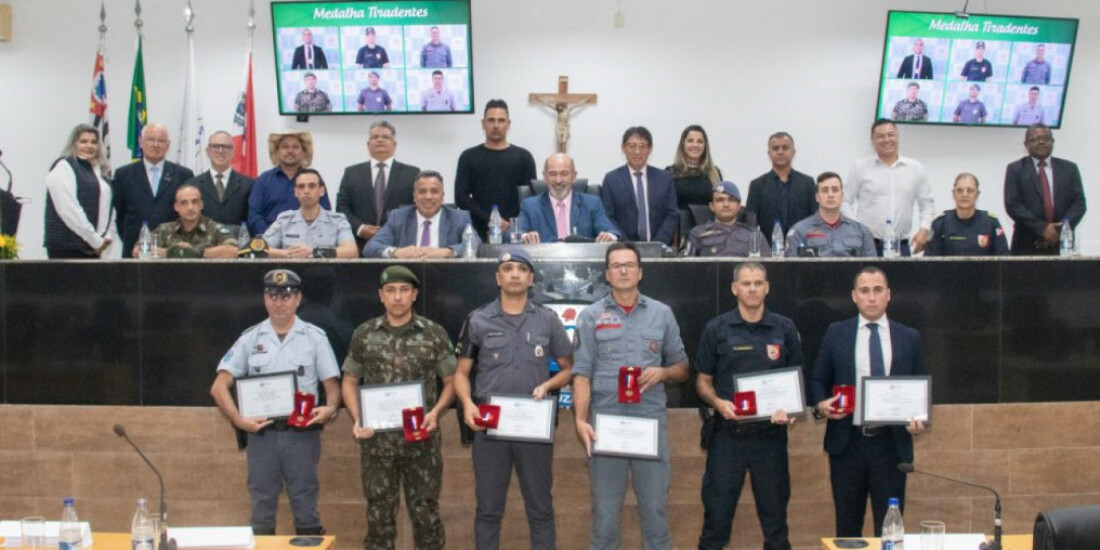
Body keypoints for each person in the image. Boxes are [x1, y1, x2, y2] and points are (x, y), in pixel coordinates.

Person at [453, 249, 574, 550]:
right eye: (508, 268)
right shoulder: (478, 319)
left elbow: (570, 369)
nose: (515, 274)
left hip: (533, 427)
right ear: (498, 277)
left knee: (541, 509)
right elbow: (460, 374)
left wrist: (548, 385)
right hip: (490, 429)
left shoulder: (547, 320)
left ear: (531, 278)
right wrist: (468, 404)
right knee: (489, 510)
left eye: (521, 269)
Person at [573, 242, 689, 550]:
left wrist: (663, 373)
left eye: (629, 265)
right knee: (606, 515)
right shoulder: (590, 316)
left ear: (640, 272)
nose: (623, 270)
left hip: (647, 425)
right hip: (605, 426)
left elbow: (682, 368)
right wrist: (580, 421)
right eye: (616, 266)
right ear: (607, 275)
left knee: (655, 511)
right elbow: (581, 374)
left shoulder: (662, 314)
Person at [209, 268, 341, 536]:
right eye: (273, 296)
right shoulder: (251, 338)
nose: (279, 302)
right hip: (262, 436)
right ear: (265, 299)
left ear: (298, 299)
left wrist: (330, 408)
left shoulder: (315, 338)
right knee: (262, 509)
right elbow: (219, 386)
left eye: (287, 296)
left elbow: (332, 388)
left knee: (306, 507)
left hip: (301, 437)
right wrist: (237, 420)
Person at [340, 265, 455, 550]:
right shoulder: (364, 334)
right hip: (378, 445)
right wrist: (357, 418)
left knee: (426, 516)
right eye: (391, 291)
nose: (398, 297)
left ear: (414, 295)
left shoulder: (433, 334)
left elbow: (452, 382)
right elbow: (349, 380)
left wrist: (436, 413)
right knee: (379, 518)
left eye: (404, 290)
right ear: (381, 296)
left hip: (422, 445)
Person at [810, 266, 927, 538]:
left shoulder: (909, 337)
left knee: (889, 528)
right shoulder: (836, 333)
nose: (871, 297)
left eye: (877, 290)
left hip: (891, 445)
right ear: (854, 296)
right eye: (865, 291)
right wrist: (820, 406)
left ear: (889, 295)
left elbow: (920, 386)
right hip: (848, 444)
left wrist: (919, 420)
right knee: (847, 528)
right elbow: (817, 381)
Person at [695, 261, 801, 550]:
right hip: (727, 437)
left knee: (776, 526)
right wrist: (718, 402)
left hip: (771, 439)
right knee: (715, 523)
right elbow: (702, 382)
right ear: (734, 288)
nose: (752, 289)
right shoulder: (716, 328)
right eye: (746, 283)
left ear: (767, 288)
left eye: (758, 283)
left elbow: (795, 385)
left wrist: (789, 412)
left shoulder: (785, 328)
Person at [845, 119, 934, 256]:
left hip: (901, 245)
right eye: (880, 136)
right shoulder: (860, 167)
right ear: (872, 140)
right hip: (867, 244)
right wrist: (858, 227)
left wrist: (924, 228)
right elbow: (844, 201)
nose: (886, 139)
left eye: (891, 134)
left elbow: (927, 203)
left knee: (901, 278)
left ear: (897, 136)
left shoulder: (915, 168)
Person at [454, 99, 537, 237]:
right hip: (477, 231)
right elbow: (461, 197)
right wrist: (490, 219)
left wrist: (510, 223)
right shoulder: (468, 157)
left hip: (516, 230)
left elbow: (529, 198)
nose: (496, 125)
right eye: (491, 120)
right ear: (483, 123)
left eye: (501, 120)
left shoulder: (524, 157)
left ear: (508, 124)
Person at [113, 123, 195, 258]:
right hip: (134, 249)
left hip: (172, 250)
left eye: (161, 141)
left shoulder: (184, 175)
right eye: (151, 139)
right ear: (141, 141)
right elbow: (120, 215)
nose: (155, 145)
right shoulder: (123, 175)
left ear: (168, 145)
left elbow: (188, 212)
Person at [336, 120, 419, 251]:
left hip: (400, 245)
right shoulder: (351, 173)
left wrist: (390, 230)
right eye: (375, 137)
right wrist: (361, 228)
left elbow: (417, 208)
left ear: (394, 144)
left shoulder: (412, 173)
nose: (380, 140)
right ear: (368, 144)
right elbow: (342, 207)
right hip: (360, 245)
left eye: (385, 137)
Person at [1003, 124, 1086, 255]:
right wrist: (1042, 228)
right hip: (1026, 243)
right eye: (1035, 139)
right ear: (1026, 144)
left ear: (1052, 142)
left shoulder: (1070, 169)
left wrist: (1061, 229)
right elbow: (1013, 205)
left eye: (1046, 138)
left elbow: (1079, 204)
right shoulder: (1015, 169)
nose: (1041, 142)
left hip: (1062, 242)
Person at [44, 123, 119, 259]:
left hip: (96, 249)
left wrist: (106, 238)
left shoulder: (101, 172)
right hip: (67, 248)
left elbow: (109, 210)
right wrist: (95, 240)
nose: (89, 146)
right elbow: (69, 210)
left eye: (94, 142)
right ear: (74, 144)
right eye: (83, 141)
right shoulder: (64, 166)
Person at [364, 170, 479, 259]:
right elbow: (370, 247)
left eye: (434, 191)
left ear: (442, 195)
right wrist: (396, 252)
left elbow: (476, 244)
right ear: (414, 196)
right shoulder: (398, 217)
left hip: (446, 275)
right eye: (422, 191)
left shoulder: (459, 218)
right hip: (407, 278)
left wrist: (447, 252)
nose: (428, 197)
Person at [600, 126, 679, 245]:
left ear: (650, 149)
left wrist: (657, 244)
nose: (637, 151)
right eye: (632, 146)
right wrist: (626, 245)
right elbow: (608, 216)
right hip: (623, 248)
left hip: (658, 247)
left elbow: (671, 214)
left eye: (643, 146)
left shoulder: (664, 178)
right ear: (623, 148)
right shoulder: (611, 180)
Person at [518, 153, 619, 243]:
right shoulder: (530, 206)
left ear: (574, 176)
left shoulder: (592, 203)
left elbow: (611, 231)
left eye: (564, 174)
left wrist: (609, 236)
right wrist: (525, 236)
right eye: (552, 174)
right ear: (545, 177)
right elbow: (513, 233)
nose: (558, 180)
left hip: (582, 261)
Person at [263, 169, 357, 259]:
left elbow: (351, 251)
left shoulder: (337, 221)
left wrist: (314, 252)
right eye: (301, 186)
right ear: (296, 192)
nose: (306, 191)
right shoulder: (284, 220)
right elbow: (260, 249)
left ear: (321, 191)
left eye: (312, 186)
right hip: (291, 273)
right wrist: (287, 254)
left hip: (326, 274)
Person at [248, 131, 330, 234]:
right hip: (270, 242)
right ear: (276, 152)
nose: (290, 151)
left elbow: (325, 213)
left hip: (307, 242)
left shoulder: (314, 179)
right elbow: (254, 216)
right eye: (285, 147)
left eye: (295, 147)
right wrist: (271, 236)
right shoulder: (263, 180)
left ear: (303, 152)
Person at [745, 132, 817, 246]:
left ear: (793, 152)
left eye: (785, 148)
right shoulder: (757, 185)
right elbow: (751, 223)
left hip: (802, 249)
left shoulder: (807, 183)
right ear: (769, 153)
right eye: (775, 148)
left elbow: (815, 218)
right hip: (767, 251)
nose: (780, 152)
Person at [134, 184, 238, 258]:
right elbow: (137, 251)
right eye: (184, 203)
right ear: (176, 207)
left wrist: (198, 252)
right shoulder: (165, 229)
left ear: (201, 205)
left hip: (206, 283)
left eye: (194, 202)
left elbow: (234, 251)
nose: (190, 207)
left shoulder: (214, 228)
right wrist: (171, 253)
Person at [786, 172, 877, 257]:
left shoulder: (862, 231)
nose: (830, 195)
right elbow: (791, 269)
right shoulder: (799, 231)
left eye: (835, 190)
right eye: (825, 191)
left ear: (842, 196)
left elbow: (872, 270)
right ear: (817, 197)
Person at [926, 173, 1009, 256]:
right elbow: (930, 262)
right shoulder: (940, 224)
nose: (964, 194)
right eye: (959, 190)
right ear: (953, 194)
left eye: (970, 190)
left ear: (977, 194)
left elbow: (1003, 259)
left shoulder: (991, 223)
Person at [684, 181, 770, 257]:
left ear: (739, 206)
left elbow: (768, 266)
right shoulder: (697, 234)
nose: (726, 204)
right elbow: (687, 267)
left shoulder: (754, 235)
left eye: (731, 200)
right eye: (720, 200)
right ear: (711, 206)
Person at [187, 131, 254, 227]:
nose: (220, 151)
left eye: (226, 147)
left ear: (233, 152)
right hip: (203, 241)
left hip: (236, 241)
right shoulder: (192, 185)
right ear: (208, 151)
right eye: (215, 146)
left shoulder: (249, 185)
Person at [666, 125, 722, 210]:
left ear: (705, 146)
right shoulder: (670, 173)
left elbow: (720, 204)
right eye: (690, 141)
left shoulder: (714, 173)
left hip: (706, 222)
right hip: (679, 222)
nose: (695, 145)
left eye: (699, 141)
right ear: (683, 144)